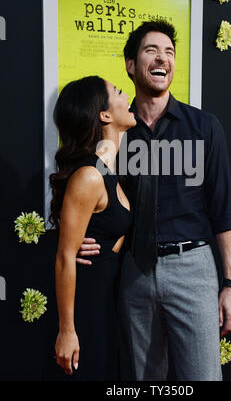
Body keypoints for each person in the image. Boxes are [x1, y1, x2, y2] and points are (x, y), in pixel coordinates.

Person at [77, 20, 231, 381]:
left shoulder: (204, 126)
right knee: (143, 377)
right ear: (131, 65)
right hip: (135, 269)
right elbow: (87, 188)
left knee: (202, 376)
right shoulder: (114, 131)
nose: (162, 58)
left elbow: (224, 211)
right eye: (151, 50)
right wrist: (76, 238)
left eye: (169, 52)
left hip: (193, 267)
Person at [49, 75, 136, 380]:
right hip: (87, 310)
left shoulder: (107, 170)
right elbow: (64, 258)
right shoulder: (90, 176)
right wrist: (67, 331)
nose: (128, 96)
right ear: (105, 114)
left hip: (110, 305)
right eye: (119, 91)